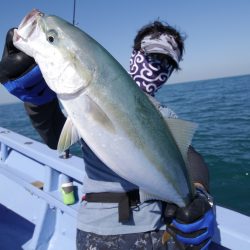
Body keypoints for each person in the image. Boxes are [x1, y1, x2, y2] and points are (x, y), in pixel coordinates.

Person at [0, 21, 215, 250]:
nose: (157, 68)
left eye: (167, 63)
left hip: (154, 227)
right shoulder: (91, 89)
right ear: (135, 55)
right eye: (152, 57)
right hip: (97, 230)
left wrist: (199, 192)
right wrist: (37, 100)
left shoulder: (165, 116)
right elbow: (55, 135)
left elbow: (188, 155)